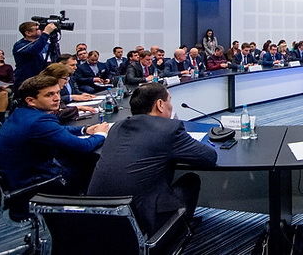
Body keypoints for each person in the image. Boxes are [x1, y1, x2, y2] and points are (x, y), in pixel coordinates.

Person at [88, 83, 217, 236]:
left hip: (96, 217)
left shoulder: (116, 127)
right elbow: (209, 157)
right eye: (170, 100)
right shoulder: (169, 129)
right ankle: (181, 230)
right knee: (191, 180)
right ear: (160, 104)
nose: (171, 106)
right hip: (140, 222)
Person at [0, 75, 109, 193]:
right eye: (49, 95)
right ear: (31, 101)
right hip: (33, 181)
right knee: (93, 164)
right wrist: (101, 134)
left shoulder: (21, 112)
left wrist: (84, 129)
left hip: (13, 172)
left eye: (57, 93)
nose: (57, 98)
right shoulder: (39, 121)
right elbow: (84, 146)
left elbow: (57, 129)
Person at [12, 21, 58, 91]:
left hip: (43, 78)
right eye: (37, 29)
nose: (41, 30)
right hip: (26, 80)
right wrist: (46, 33)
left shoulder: (45, 44)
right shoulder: (20, 46)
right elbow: (34, 50)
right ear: (28, 33)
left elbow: (54, 57)